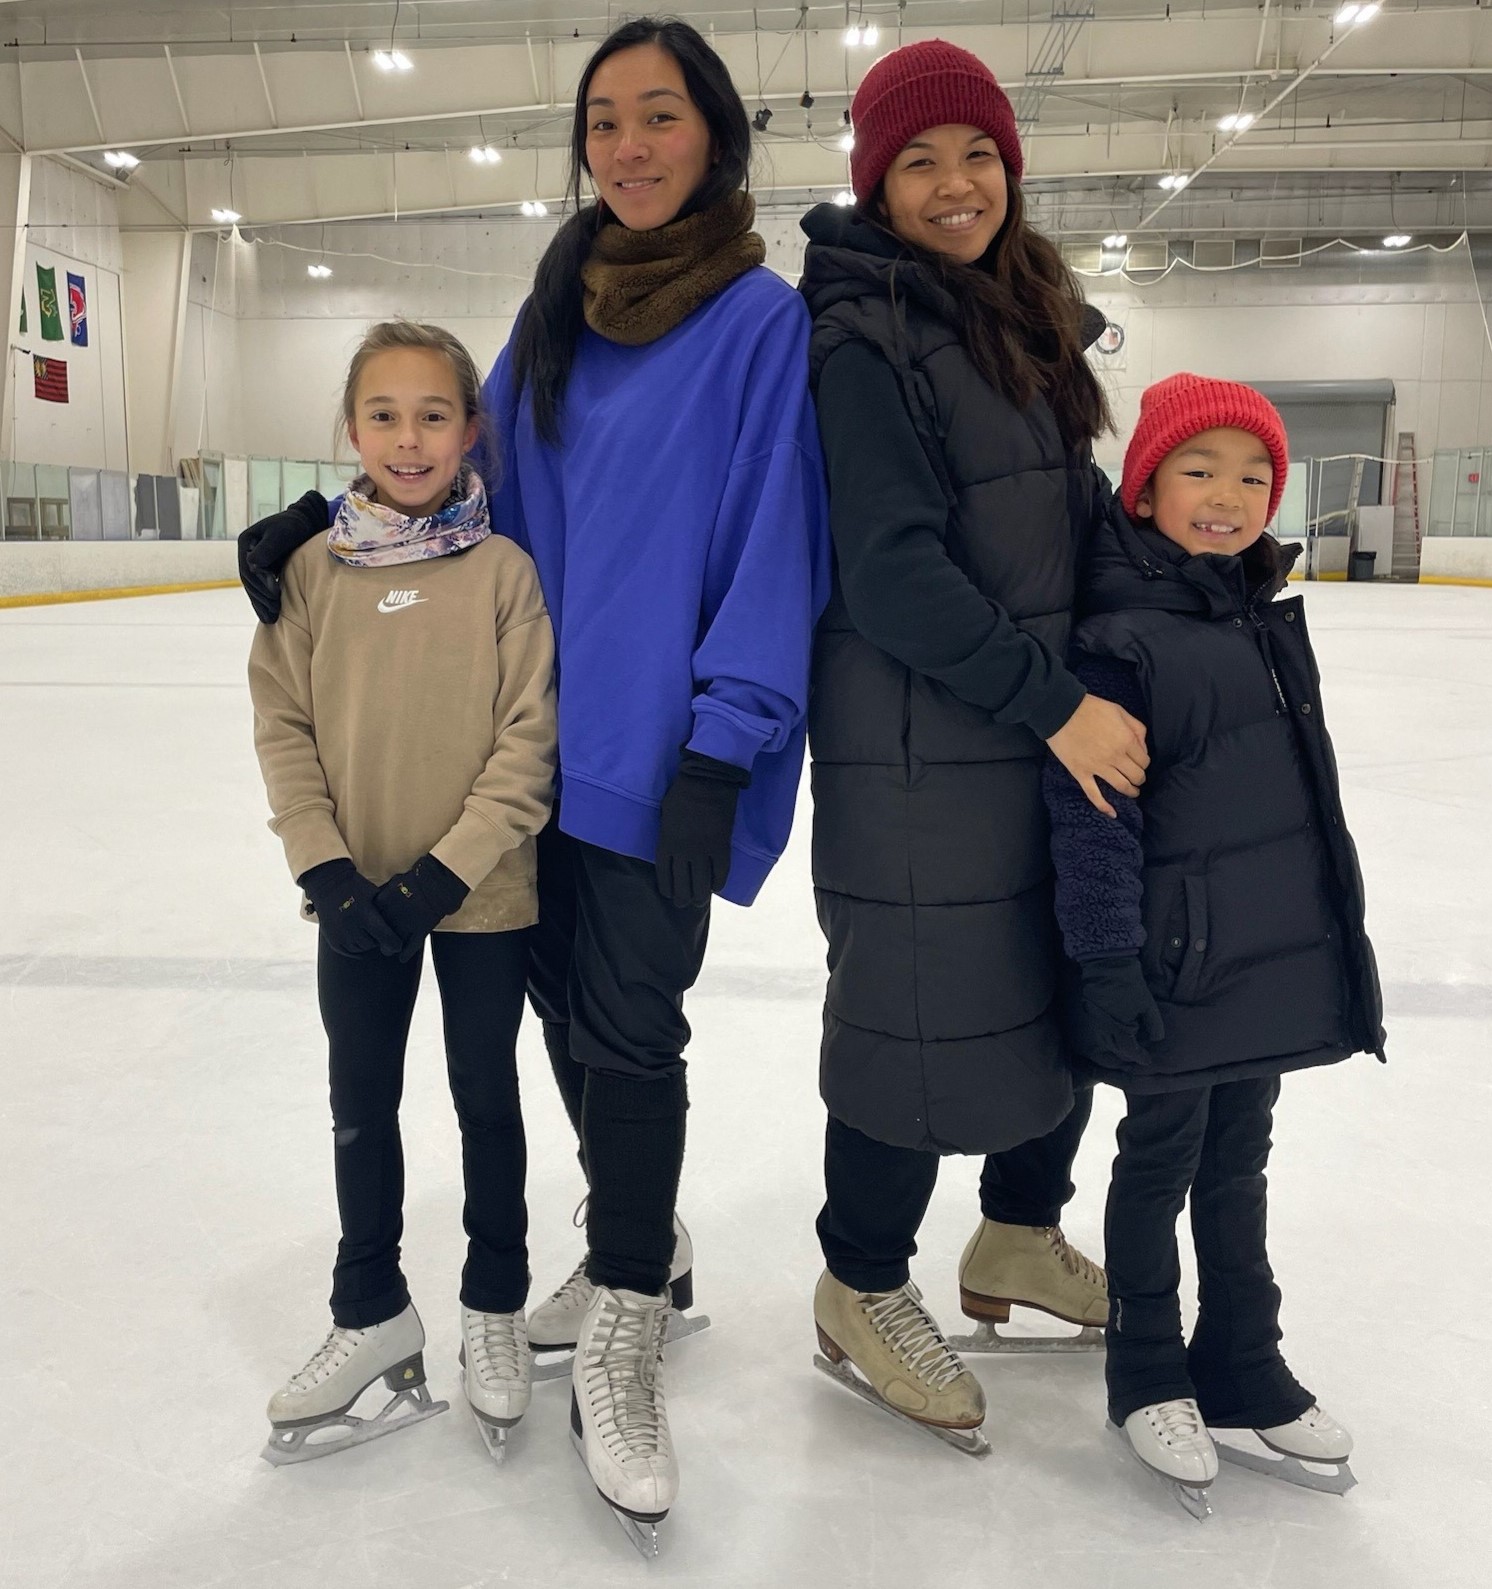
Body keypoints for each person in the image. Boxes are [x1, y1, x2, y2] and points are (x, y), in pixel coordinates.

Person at [239, 18, 828, 1538]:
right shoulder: (561, 300)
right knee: (567, 1012)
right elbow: (454, 460)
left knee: (631, 1036)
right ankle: (653, 1238)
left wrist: (728, 741)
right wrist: (312, 517)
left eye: (661, 116)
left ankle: (627, 1314)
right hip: (524, 752)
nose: (629, 145)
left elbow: (779, 542)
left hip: (657, 752)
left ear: (714, 135)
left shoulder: (762, 324)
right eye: (606, 120)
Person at [798, 39, 1150, 1448]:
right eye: (920, 161)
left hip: (1023, 724)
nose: (955, 185)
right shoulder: (862, 331)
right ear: (877, 184)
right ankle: (858, 1280)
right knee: (915, 1005)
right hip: (916, 742)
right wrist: (1055, 699)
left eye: (979, 157)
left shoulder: (1016, 312)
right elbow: (890, 569)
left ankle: (1014, 1233)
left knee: (1051, 978)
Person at [1045, 373, 1384, 1512]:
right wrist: (1106, 960)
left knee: (1240, 1162)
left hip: (1265, 957)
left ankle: (1243, 1355)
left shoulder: (1258, 614)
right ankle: (1146, 1366)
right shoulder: (1120, 638)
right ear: (1142, 490)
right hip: (1176, 966)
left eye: (1252, 475)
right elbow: (1092, 821)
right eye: (1198, 469)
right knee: (1159, 1163)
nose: (1228, 495)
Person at [247, 320, 557, 1467]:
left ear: (472, 429)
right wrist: (327, 868)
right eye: (384, 413)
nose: (409, 436)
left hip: (479, 895)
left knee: (486, 1096)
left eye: (435, 413)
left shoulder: (502, 570)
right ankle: (369, 1306)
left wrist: (443, 871)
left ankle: (492, 1302)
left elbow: (529, 741)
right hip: (353, 901)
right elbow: (283, 725)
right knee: (359, 1101)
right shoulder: (309, 571)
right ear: (349, 427)